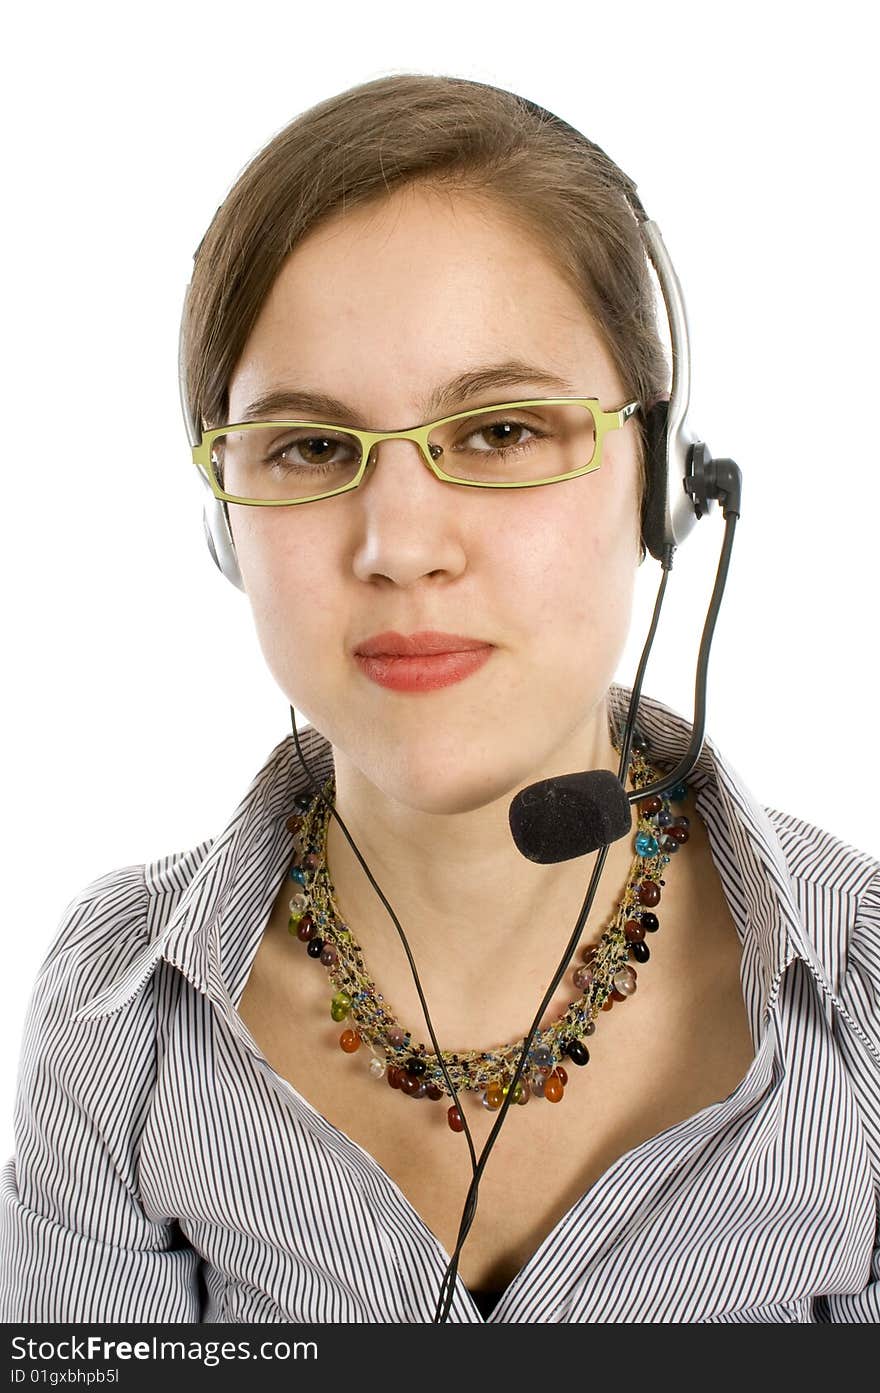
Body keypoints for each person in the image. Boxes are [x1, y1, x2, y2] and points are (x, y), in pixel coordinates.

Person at [1, 73, 878, 1326]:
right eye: (309, 448)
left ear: (660, 491)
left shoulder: (862, 984)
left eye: (501, 431)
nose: (400, 545)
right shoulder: (114, 1012)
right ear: (224, 526)